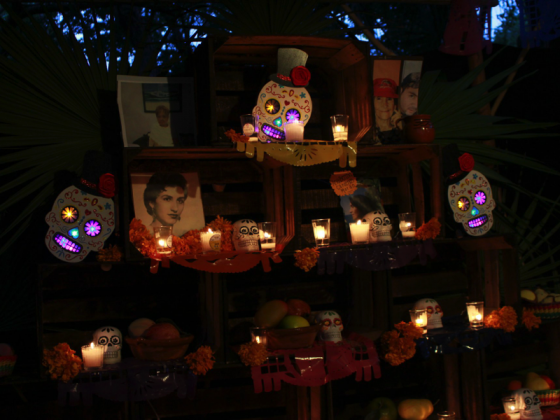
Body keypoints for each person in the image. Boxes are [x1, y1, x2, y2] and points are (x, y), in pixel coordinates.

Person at [373, 78, 402, 145]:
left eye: (389, 99)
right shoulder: (366, 134)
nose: (385, 105)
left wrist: (400, 129)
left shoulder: (400, 130)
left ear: (394, 105)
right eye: (379, 98)